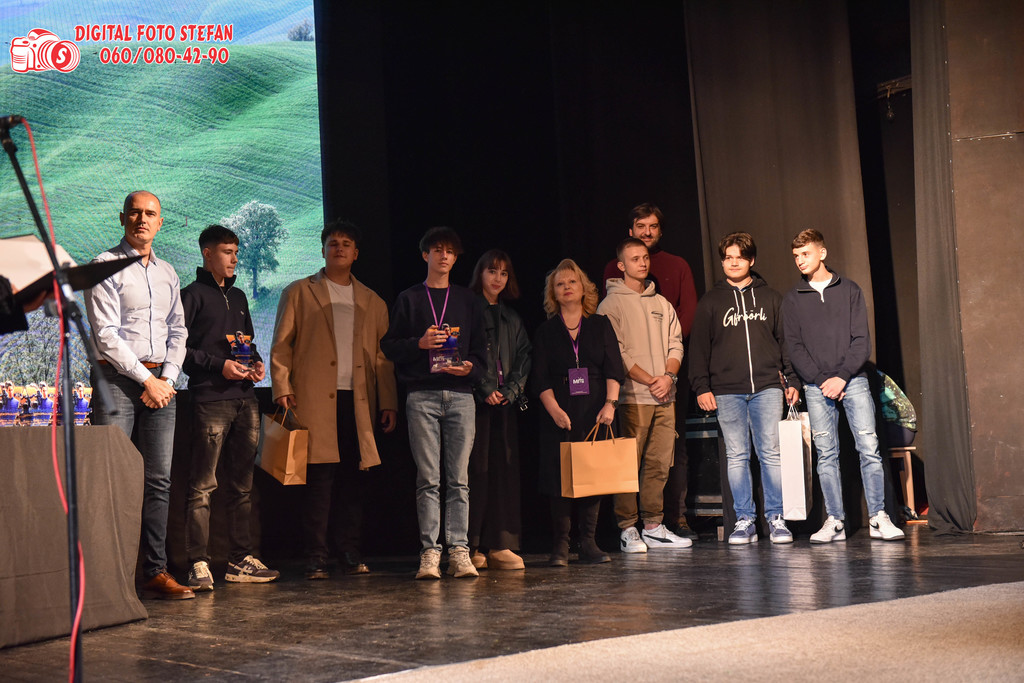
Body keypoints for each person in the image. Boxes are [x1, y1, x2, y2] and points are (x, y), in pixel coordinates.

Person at [271, 220, 398, 579]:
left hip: (358, 401)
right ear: (323, 249)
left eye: (346, 243)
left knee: (355, 479)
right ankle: (316, 555)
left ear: (356, 253)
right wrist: (281, 386)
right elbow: (281, 345)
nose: (339, 248)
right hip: (313, 399)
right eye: (333, 243)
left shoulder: (373, 300)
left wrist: (388, 401)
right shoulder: (299, 291)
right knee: (319, 480)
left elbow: (382, 358)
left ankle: (349, 551)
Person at [84, 190, 193, 599]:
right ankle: (107, 578)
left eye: (150, 214)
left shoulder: (168, 273)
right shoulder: (104, 266)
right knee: (110, 478)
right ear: (122, 218)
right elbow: (106, 335)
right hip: (116, 381)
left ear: (160, 223)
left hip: (161, 383)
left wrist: (167, 378)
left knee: (159, 481)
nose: (142, 219)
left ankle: (154, 571)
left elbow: (178, 331)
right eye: (135, 212)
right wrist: (148, 381)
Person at [782, 229, 904, 543]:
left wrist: (842, 377)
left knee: (869, 449)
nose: (800, 261)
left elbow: (861, 341)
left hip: (853, 380)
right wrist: (822, 380)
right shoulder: (793, 299)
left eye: (805, 254)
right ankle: (834, 520)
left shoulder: (849, 289)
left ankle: (878, 517)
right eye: (796, 256)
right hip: (816, 386)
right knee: (826, 454)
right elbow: (794, 347)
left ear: (822, 253)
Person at [381, 227, 486, 580]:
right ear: (425, 255)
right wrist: (419, 344)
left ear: (456, 258)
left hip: (461, 395)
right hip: (422, 396)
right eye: (437, 250)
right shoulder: (410, 298)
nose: (444, 256)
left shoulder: (468, 300)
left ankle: (459, 551)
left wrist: (470, 368)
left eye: (450, 251)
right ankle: (430, 552)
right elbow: (389, 346)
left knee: (459, 479)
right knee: (428, 478)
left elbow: (481, 352)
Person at [180, 225, 279, 591]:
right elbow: (179, 351)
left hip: (245, 399)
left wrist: (256, 363)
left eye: (236, 252)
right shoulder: (191, 295)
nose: (234, 258)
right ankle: (198, 563)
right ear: (207, 254)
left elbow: (246, 342)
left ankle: (240, 560)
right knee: (203, 486)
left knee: (242, 487)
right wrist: (217, 366)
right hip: (210, 400)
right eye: (227, 252)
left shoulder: (238, 296)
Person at [689, 232, 801, 545]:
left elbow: (785, 343)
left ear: (751, 260)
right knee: (737, 456)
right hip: (726, 391)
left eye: (740, 257)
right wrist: (701, 386)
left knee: (771, 454)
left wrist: (792, 380)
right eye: (728, 258)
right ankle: (744, 519)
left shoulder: (771, 298)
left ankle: (776, 518)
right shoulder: (711, 302)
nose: (734, 263)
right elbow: (698, 349)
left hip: (767, 388)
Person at [602, 203, 699, 540]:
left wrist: (667, 378)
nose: (642, 263)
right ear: (621, 265)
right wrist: (649, 380)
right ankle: (628, 528)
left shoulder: (662, 303)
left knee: (659, 463)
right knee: (628, 463)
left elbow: (676, 343)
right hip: (633, 397)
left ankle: (654, 525)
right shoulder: (610, 304)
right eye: (635, 259)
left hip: (664, 395)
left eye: (645, 258)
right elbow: (617, 353)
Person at [531, 259, 624, 566]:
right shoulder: (546, 331)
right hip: (559, 411)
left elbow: (614, 368)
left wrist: (610, 404)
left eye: (572, 282)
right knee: (559, 476)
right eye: (560, 284)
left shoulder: (600, 324)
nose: (567, 287)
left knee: (592, 473)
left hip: (596, 409)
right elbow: (539, 378)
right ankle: (561, 546)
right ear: (553, 293)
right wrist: (554, 410)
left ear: (584, 288)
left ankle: (588, 542)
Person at [466, 250, 532, 571]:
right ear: (480, 273)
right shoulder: (467, 310)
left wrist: (510, 391)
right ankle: (472, 545)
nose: (497, 278)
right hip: (475, 404)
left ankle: (501, 544)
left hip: (504, 404)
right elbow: (462, 354)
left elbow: (524, 357)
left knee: (504, 473)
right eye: (492, 271)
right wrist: (484, 388)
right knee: (475, 473)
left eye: (504, 273)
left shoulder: (512, 318)